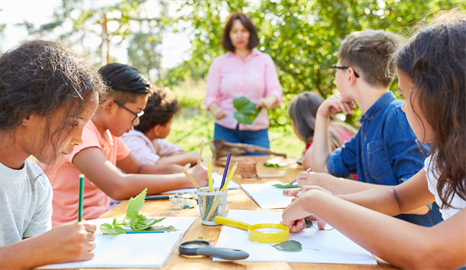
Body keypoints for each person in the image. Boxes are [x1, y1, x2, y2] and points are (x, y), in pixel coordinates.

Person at [282, 11, 466, 269]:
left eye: (404, 95)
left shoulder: (394, 118)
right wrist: (325, 205)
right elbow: (396, 198)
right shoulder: (444, 158)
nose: (402, 107)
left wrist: (318, 201)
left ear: (436, 96)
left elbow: (430, 253)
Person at [298, 29, 442, 226]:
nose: (334, 77)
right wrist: (322, 115)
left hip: (413, 243)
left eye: (335, 69)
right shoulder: (368, 126)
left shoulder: (397, 115)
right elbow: (323, 169)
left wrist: (333, 187)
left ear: (349, 74)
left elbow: (419, 204)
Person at [39, 63, 208, 226]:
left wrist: (186, 172)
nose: (137, 122)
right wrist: (188, 179)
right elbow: (117, 186)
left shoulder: (109, 133)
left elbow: (139, 169)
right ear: (110, 106)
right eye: (135, 113)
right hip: (67, 232)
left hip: (99, 222)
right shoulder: (79, 130)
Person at [0, 40, 104, 268]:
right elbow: (32, 254)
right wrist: (40, 248)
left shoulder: (37, 184)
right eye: (73, 124)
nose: (79, 139)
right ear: (26, 112)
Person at [205, 12, 283, 153]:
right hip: (225, 129)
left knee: (261, 171)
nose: (239, 35)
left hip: (257, 130)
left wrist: (268, 101)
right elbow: (210, 96)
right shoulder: (219, 63)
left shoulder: (264, 60)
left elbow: (275, 92)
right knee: (225, 173)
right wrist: (214, 108)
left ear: (250, 33)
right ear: (229, 35)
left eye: (243, 31)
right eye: (235, 31)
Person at [123, 87, 199, 166]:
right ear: (157, 129)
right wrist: (189, 158)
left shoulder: (154, 140)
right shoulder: (132, 141)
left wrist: (167, 161)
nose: (170, 126)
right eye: (169, 123)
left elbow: (178, 151)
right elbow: (153, 165)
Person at [288, 91, 356, 170]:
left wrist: (304, 159)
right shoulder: (341, 127)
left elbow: (311, 163)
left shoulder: (329, 133)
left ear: (299, 124)